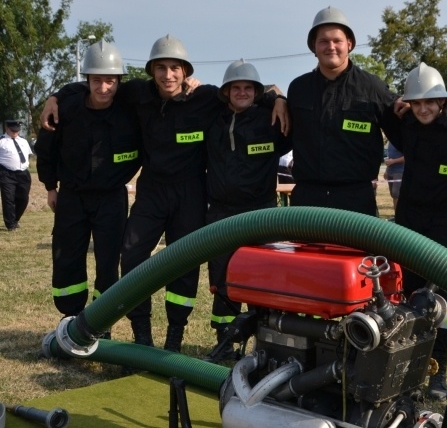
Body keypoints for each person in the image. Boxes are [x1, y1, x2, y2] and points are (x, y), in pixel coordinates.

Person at [40, 35, 288, 352]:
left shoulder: (207, 97)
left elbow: (245, 94)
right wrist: (54, 95)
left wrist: (276, 99)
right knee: (131, 258)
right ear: (151, 71)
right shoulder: (137, 94)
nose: (167, 75)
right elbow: (95, 84)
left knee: (184, 263)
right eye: (161, 68)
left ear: (185, 71)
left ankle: (175, 337)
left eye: (174, 68)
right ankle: (141, 333)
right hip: (152, 190)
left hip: (191, 193)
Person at [382, 62, 447, 400]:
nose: (423, 109)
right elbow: (383, 114)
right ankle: (405, 371)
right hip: (409, 220)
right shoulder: (409, 124)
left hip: (445, 223)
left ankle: (437, 374)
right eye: (416, 103)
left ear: (442, 100)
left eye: (430, 101)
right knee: (406, 296)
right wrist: (396, 108)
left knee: (440, 301)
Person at [34, 41, 141, 322]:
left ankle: (100, 321)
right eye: (96, 80)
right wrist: (50, 187)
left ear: (118, 81)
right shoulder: (66, 108)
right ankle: (70, 316)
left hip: (111, 198)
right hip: (72, 196)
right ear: (87, 81)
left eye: (109, 81)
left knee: (108, 262)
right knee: (67, 256)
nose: (103, 88)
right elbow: (46, 148)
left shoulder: (129, 110)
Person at [204, 59, 290, 360]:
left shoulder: (271, 118)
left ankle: (264, 346)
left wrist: (275, 97)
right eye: (235, 87)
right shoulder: (212, 117)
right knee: (224, 280)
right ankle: (224, 343)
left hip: (261, 213)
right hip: (220, 213)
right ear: (226, 91)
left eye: (249, 88)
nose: (242, 92)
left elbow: (293, 118)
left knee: (262, 280)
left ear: (256, 91)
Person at [287, 7, 397, 216]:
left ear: (349, 44)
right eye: (323, 41)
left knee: (355, 251)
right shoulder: (298, 89)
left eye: (337, 40)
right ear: (313, 46)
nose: (331, 47)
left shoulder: (372, 87)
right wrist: (274, 99)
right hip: (307, 200)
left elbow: (405, 133)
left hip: (355, 200)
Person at [0, 119, 33, 231]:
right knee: (8, 199)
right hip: (6, 173)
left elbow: (27, 155)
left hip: (23, 173)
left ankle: (15, 219)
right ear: (7, 129)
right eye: (13, 130)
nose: (15, 132)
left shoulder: (23, 141)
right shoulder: (1, 141)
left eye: (17, 130)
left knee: (23, 198)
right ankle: (11, 225)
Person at [383, 141, 404, 216]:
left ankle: (398, 216)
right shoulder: (390, 142)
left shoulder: (402, 141)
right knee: (393, 195)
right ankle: (396, 214)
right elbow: (389, 157)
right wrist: (386, 170)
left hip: (399, 172)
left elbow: (407, 157)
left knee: (396, 194)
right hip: (390, 171)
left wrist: (394, 161)